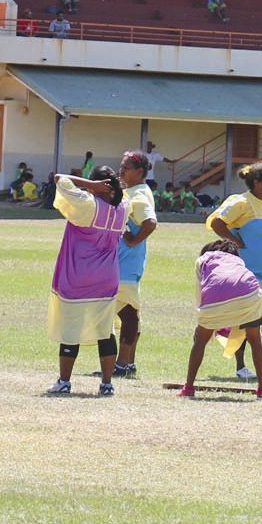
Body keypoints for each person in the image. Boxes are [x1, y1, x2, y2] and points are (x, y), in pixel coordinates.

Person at [46, 167, 129, 395]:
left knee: (71, 328)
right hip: (108, 277)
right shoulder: (124, 208)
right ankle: (107, 384)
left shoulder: (88, 204)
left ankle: (64, 382)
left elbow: (60, 179)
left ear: (98, 184)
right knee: (106, 330)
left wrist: (91, 186)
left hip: (79, 275)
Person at [207, 163, 262, 381]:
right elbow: (217, 222)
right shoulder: (241, 202)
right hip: (247, 272)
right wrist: (234, 240)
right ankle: (241, 366)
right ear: (256, 183)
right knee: (245, 318)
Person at [179, 239, 262, 399]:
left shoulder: (203, 259)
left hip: (215, 297)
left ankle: (189, 388)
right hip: (250, 294)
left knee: (200, 341)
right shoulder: (238, 260)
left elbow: (199, 293)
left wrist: (203, 322)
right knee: (255, 340)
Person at [111, 151, 157, 379]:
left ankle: (120, 363)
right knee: (129, 314)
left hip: (124, 266)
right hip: (125, 265)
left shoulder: (137, 195)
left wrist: (132, 240)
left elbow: (150, 223)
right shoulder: (135, 191)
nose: (121, 171)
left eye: (126, 167)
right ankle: (128, 363)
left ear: (139, 172)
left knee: (127, 316)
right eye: (121, 166)